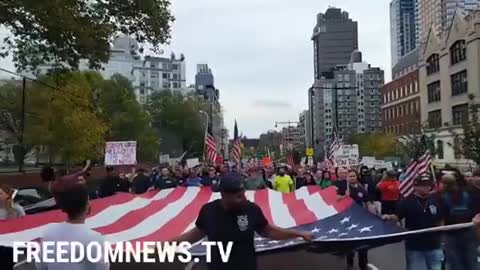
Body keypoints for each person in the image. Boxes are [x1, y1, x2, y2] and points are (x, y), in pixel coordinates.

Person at [170, 172, 313, 270]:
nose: (244, 198)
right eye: (238, 196)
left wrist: (298, 234)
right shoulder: (209, 211)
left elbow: (269, 231)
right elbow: (193, 235)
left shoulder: (252, 209)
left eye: (243, 193)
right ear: (224, 195)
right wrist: (161, 246)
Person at [35, 183, 109, 270]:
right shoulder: (95, 238)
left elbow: (40, 265)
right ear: (86, 205)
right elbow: (103, 268)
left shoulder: (49, 232)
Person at [383, 174, 444, 270]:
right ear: (415, 186)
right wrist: (389, 217)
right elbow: (397, 217)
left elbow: (440, 219)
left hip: (434, 245)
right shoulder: (407, 201)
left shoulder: (436, 199)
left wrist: (442, 236)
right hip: (414, 245)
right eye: (423, 185)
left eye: (428, 185)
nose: (426, 187)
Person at [336, 170, 375, 270]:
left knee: (363, 241)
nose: (352, 178)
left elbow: (367, 202)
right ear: (347, 178)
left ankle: (363, 263)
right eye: (350, 176)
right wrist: (345, 195)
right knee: (351, 241)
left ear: (356, 177)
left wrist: (373, 213)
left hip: (362, 218)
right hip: (349, 219)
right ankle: (350, 262)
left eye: (354, 176)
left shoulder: (361, 188)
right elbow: (336, 200)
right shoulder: (344, 188)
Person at [440, 171, 478, 270]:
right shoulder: (469, 193)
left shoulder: (442, 196)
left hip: (457, 233)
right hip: (464, 232)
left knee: (458, 263)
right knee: (469, 263)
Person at [0, 185, 26, 270]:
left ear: (8, 195)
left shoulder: (18, 209)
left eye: (0, 193)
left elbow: (24, 225)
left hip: (10, 245)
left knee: (7, 265)